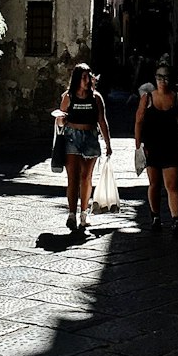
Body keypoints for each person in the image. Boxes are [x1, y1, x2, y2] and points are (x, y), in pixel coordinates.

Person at [56, 63, 112, 231]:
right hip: (72, 137)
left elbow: (102, 120)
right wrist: (60, 119)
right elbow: (60, 118)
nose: (87, 80)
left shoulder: (96, 98)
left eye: (89, 76)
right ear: (77, 79)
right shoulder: (68, 97)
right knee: (72, 178)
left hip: (90, 138)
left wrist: (108, 143)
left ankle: (84, 214)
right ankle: (72, 213)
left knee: (86, 178)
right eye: (84, 77)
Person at [134, 63, 178, 236]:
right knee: (154, 184)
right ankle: (155, 217)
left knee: (172, 185)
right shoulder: (147, 98)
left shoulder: (177, 98)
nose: (163, 80)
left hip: (171, 146)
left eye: (166, 77)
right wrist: (138, 145)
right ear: (155, 79)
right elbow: (139, 121)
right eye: (159, 77)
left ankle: (176, 220)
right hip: (152, 147)